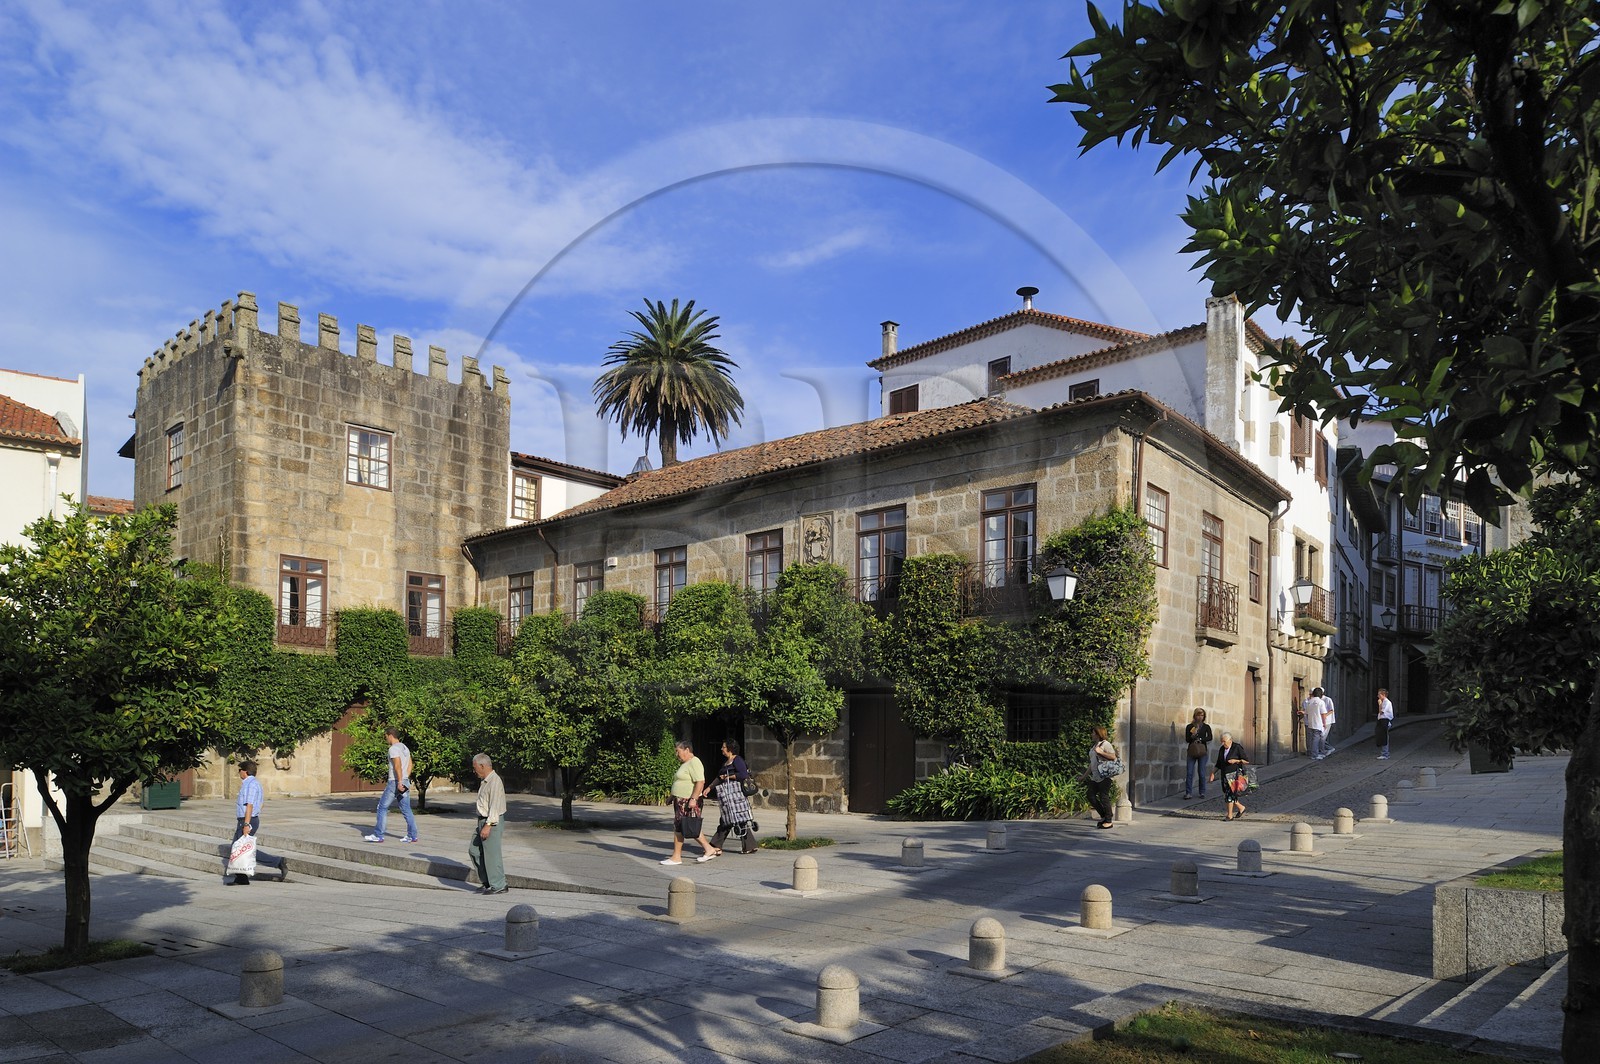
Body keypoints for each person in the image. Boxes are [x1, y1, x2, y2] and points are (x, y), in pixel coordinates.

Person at [663, 740, 716, 865]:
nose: (676, 754)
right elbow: (682, 781)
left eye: (678, 751)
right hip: (681, 800)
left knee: (683, 827)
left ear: (687, 750)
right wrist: (672, 796)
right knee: (687, 826)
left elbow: (700, 782)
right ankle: (709, 849)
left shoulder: (694, 762)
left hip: (688, 800)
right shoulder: (685, 764)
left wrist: (693, 799)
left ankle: (677, 857)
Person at [365, 727, 419, 844]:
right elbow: (410, 764)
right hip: (404, 780)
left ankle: (378, 835)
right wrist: (405, 778)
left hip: (395, 782)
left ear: (390, 735)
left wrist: (399, 782)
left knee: (382, 807)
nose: (386, 739)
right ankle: (412, 836)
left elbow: (397, 765)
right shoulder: (405, 748)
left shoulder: (393, 749)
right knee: (406, 809)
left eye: (386, 736)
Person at [707, 739, 759, 855]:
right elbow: (719, 777)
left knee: (730, 818)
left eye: (723, 747)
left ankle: (715, 845)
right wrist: (709, 788)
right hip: (727, 795)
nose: (722, 749)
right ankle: (750, 846)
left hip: (735, 795)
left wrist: (729, 776)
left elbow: (743, 774)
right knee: (733, 818)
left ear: (730, 749)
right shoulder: (726, 762)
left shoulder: (737, 760)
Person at [468, 753, 507, 895]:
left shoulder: (494, 781)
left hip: (491, 821)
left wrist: (488, 825)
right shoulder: (485, 781)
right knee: (474, 850)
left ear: (482, 766)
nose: (474, 771)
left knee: (492, 853)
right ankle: (488, 882)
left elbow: (495, 805)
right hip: (483, 819)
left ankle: (499, 885)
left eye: (475, 768)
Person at [227, 761, 263, 886]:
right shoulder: (253, 783)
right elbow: (260, 803)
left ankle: (277, 862)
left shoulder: (250, 785)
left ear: (245, 771)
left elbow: (250, 805)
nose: (239, 773)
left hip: (247, 820)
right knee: (239, 847)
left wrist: (247, 824)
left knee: (238, 847)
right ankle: (241, 878)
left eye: (240, 770)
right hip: (248, 819)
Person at [1210, 732, 1251, 821]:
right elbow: (1218, 764)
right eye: (1222, 741)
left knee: (1229, 795)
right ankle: (1241, 808)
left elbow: (1246, 761)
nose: (1223, 743)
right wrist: (1213, 773)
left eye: (1224, 741)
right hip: (1224, 775)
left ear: (1230, 740)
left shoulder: (1237, 747)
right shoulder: (1222, 749)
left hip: (1234, 775)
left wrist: (1236, 761)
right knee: (1228, 794)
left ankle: (1229, 815)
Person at [1085, 726, 1118, 829]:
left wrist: (1100, 752)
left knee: (1104, 797)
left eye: (1093, 733)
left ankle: (1109, 821)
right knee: (1090, 795)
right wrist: (1084, 776)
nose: (1091, 735)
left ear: (1098, 734)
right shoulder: (1094, 746)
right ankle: (1104, 816)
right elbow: (1092, 764)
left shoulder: (1105, 744)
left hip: (1105, 776)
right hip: (1095, 777)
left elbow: (1113, 757)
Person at [1183, 708, 1213, 799]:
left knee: (1201, 772)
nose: (1200, 717)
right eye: (1198, 715)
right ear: (1195, 716)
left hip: (1202, 751)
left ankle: (1202, 792)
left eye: (1202, 715)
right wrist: (1192, 736)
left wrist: (1201, 739)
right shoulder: (1190, 726)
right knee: (1189, 772)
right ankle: (1188, 793)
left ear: (1204, 717)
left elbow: (1210, 737)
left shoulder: (1206, 727)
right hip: (1192, 751)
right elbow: (1187, 739)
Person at [1301, 688, 1327, 760]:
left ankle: (1312, 753)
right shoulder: (1321, 702)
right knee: (1316, 740)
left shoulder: (1309, 702)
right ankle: (1314, 755)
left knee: (1312, 740)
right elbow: (1323, 714)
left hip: (1310, 723)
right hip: (1318, 723)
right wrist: (1324, 723)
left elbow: (1306, 713)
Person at [1375, 688, 1395, 759]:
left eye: (1379, 694)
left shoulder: (1387, 702)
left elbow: (1381, 712)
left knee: (1384, 737)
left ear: (1383, 695)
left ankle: (1385, 754)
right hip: (1381, 720)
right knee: (1381, 736)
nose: (1378, 696)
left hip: (1385, 720)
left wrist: (1380, 704)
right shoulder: (1384, 702)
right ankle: (1384, 753)